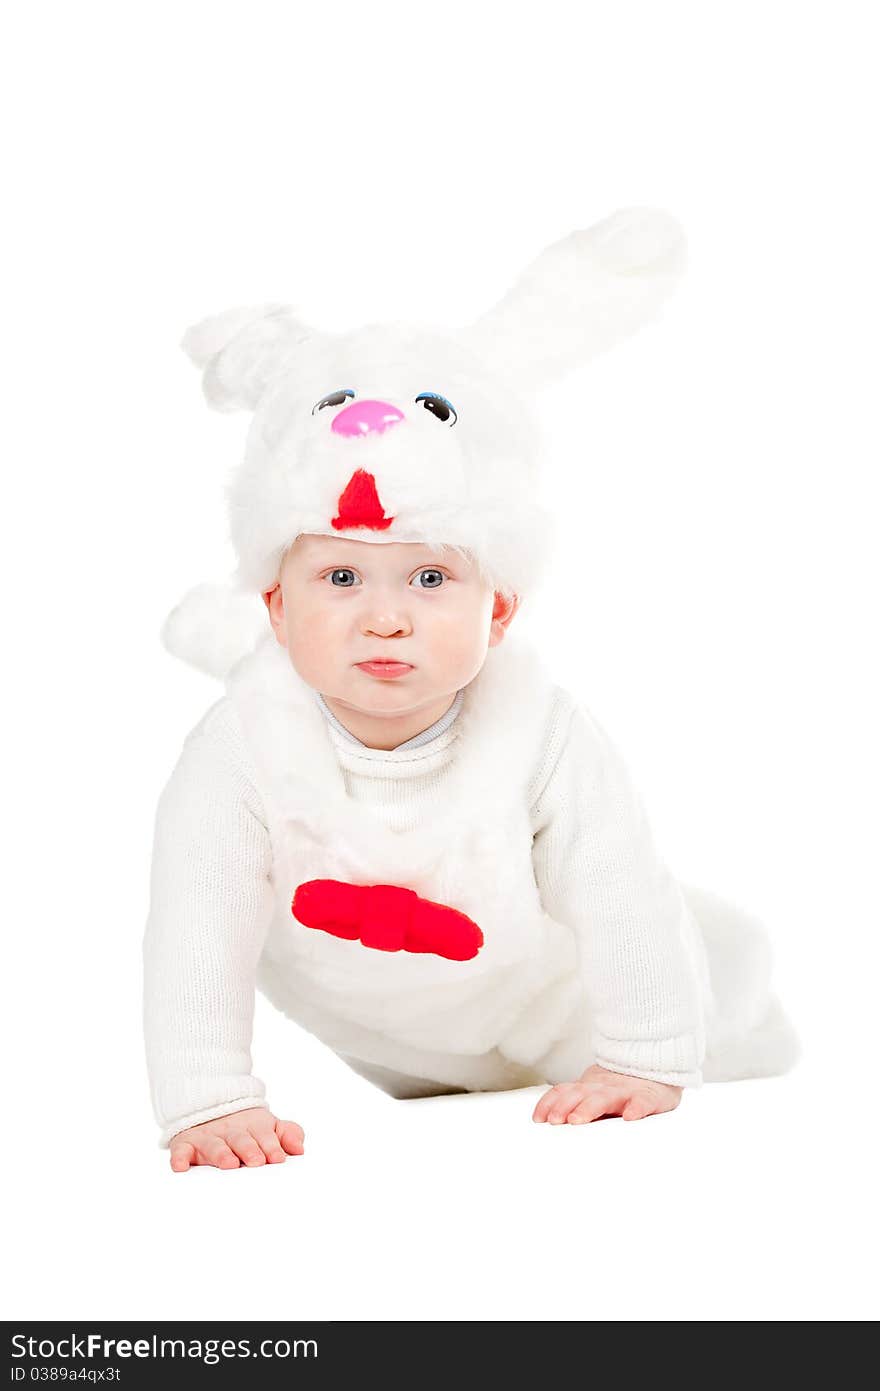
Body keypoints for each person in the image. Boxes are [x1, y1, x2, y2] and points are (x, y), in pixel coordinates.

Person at [144, 208, 799, 1171]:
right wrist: (207, 1100)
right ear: (275, 607)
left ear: (498, 614)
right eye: (340, 579)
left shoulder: (540, 731)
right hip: (391, 1036)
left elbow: (618, 884)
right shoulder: (243, 741)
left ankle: (732, 1021)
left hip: (541, 993)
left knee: (705, 1003)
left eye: (431, 578)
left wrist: (647, 1057)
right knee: (446, 1096)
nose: (386, 617)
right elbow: (197, 916)